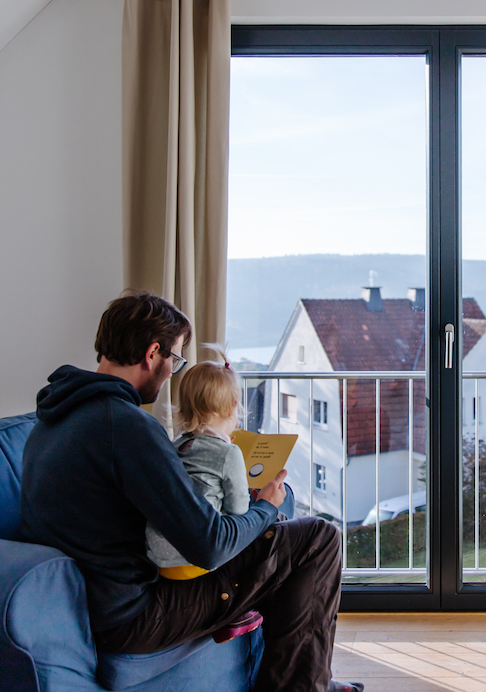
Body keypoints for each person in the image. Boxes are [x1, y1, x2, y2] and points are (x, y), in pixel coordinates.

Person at [20, 291, 359, 692]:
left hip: (88, 605)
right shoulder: (126, 428)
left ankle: (308, 679)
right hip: (135, 615)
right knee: (318, 539)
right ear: (152, 354)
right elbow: (211, 545)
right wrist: (265, 508)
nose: (171, 374)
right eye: (175, 360)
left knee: (278, 538)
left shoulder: (53, 421)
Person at [143, 344, 264, 643]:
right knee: (263, 526)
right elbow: (238, 515)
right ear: (232, 406)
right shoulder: (229, 453)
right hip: (198, 564)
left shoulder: (174, 445)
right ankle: (236, 608)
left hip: (161, 564)